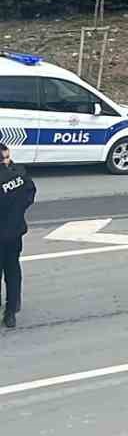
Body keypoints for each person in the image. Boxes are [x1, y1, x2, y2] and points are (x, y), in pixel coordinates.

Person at [0, 141, 36, 330]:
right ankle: (11, 311)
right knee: (13, 271)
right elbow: (30, 195)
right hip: (15, 232)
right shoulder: (20, 173)